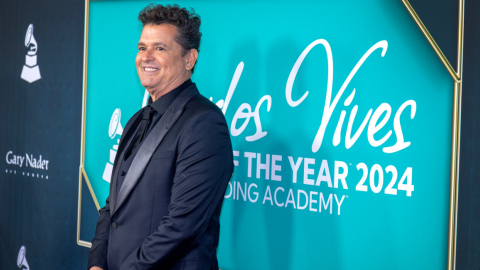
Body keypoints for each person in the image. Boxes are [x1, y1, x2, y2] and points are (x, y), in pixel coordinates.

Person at [87, 4, 234, 270]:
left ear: (189, 59)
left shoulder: (204, 123)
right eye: (142, 47)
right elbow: (113, 206)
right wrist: (97, 262)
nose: (146, 56)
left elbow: (183, 225)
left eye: (160, 48)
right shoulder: (136, 120)